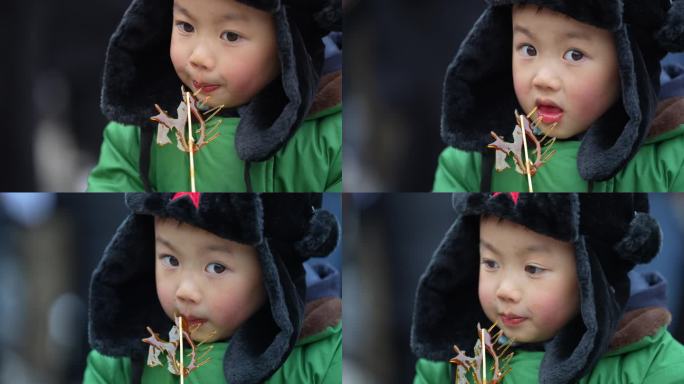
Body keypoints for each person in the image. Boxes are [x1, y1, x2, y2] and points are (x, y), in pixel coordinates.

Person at [411, 193, 684, 383]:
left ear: (591, 273)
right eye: (491, 263)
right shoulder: (455, 360)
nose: (505, 290)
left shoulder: (653, 368)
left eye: (533, 269)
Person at [83, 193, 342, 383]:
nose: (184, 291)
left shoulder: (321, 358)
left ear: (271, 272)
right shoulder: (121, 361)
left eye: (216, 268)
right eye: (171, 260)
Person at [87, 0, 342, 192]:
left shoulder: (329, 138)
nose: (198, 57)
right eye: (186, 26)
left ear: (287, 41)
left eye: (231, 36)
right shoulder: (140, 127)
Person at [433, 1, 684, 192]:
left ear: (629, 64)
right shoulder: (472, 161)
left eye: (575, 55)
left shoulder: (671, 161)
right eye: (528, 49)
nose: (543, 79)